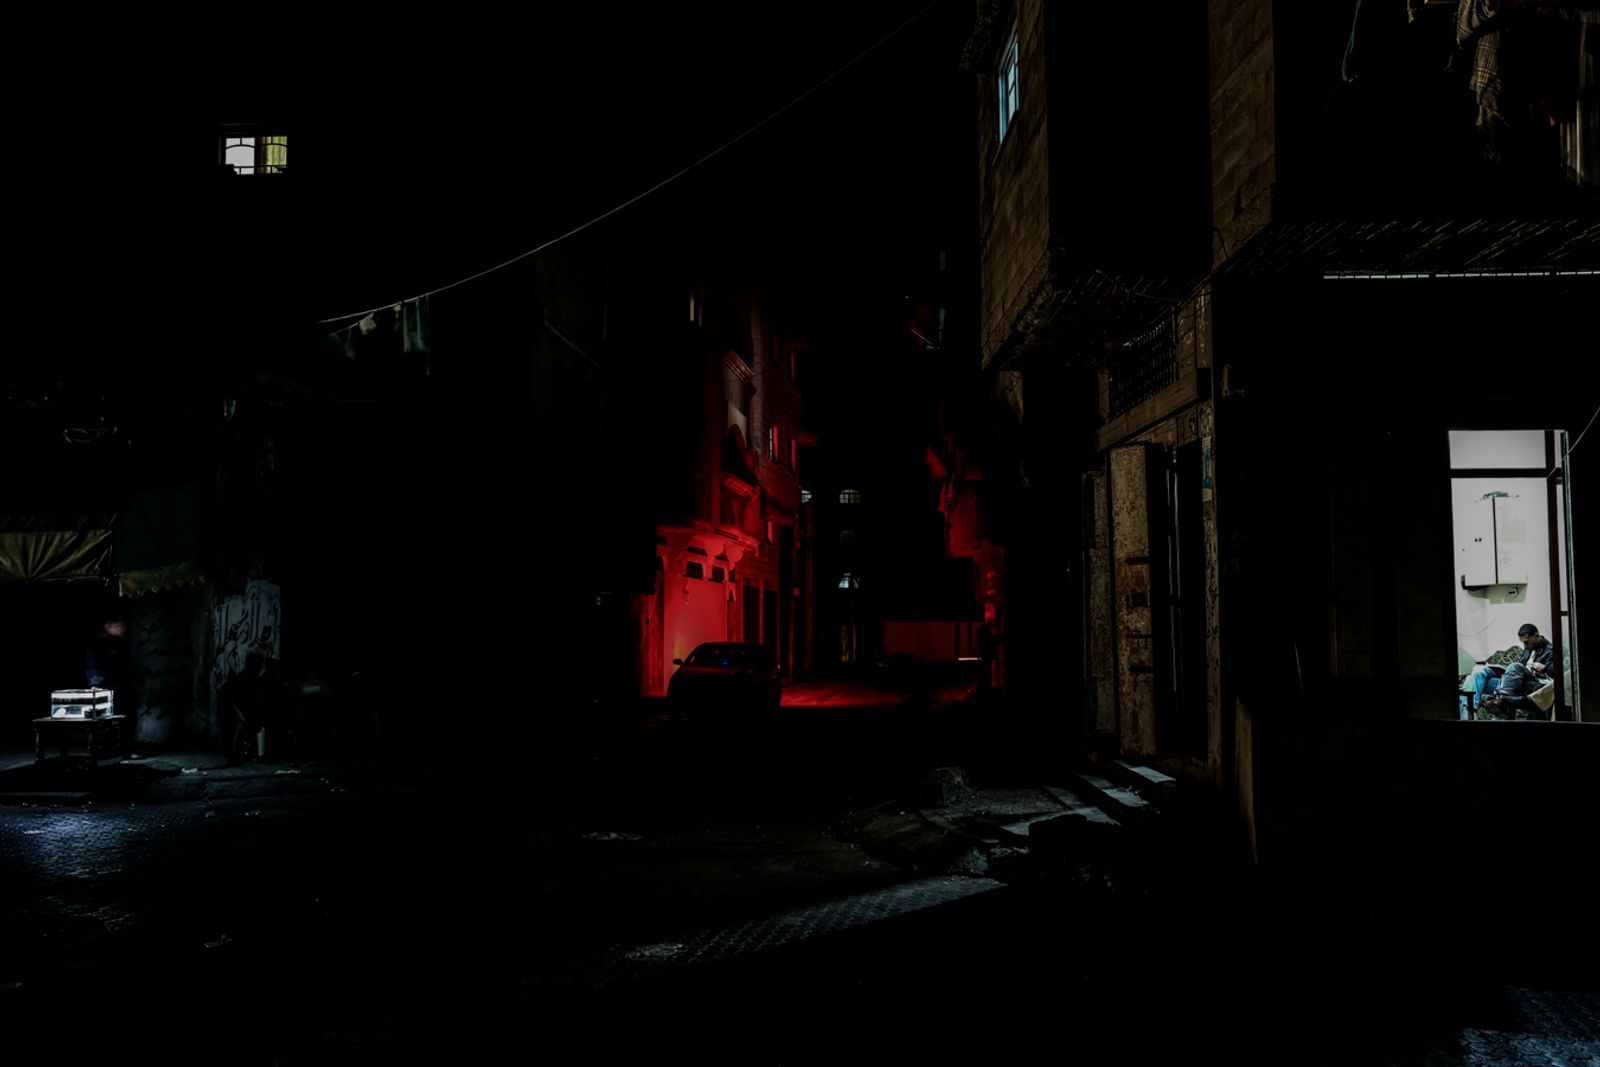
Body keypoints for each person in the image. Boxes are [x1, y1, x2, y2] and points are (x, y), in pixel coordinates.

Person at [1480, 622, 1556, 720]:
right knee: (1487, 675)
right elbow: (1523, 664)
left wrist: (1544, 668)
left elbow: (1557, 672)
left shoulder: (1550, 650)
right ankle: (1501, 703)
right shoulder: (1528, 647)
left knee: (1514, 668)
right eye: (1523, 642)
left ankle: (1501, 701)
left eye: (1527, 642)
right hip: (1523, 677)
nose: (1525, 645)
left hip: (1537, 680)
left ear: (1536, 635)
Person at [84, 616, 131, 693]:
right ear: (107, 627)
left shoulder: (118, 640)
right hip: (100, 677)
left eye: (122, 626)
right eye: (116, 626)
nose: (120, 629)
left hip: (107, 678)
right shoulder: (102, 640)